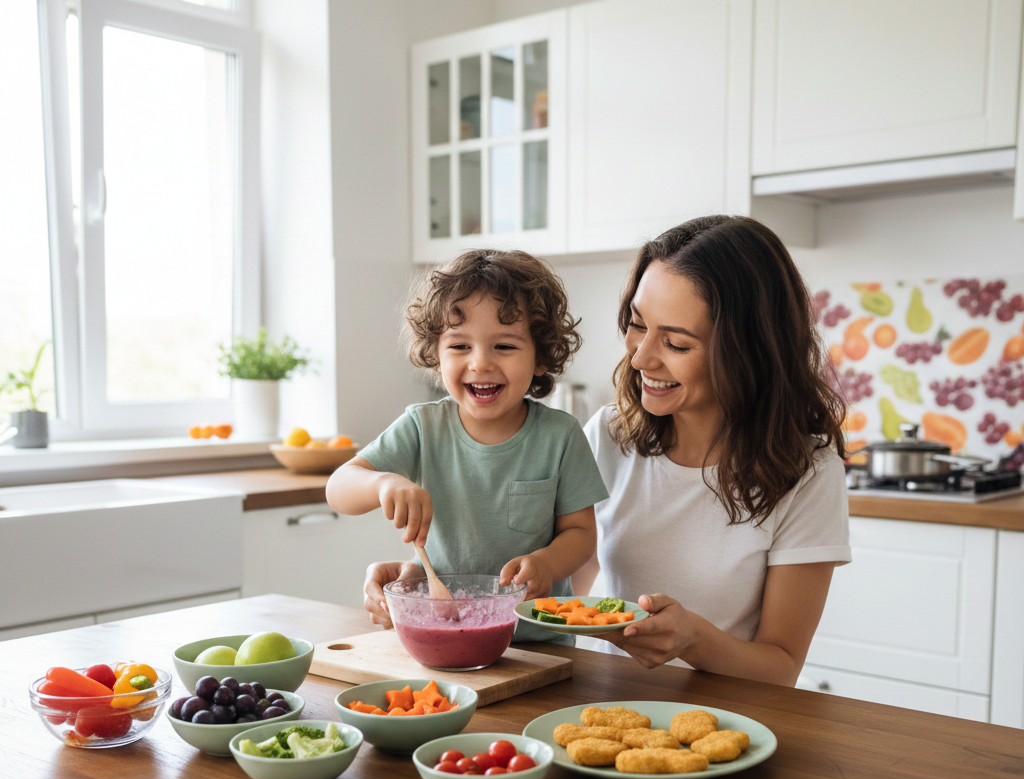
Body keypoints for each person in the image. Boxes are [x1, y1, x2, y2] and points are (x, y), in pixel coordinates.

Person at [572, 215, 851, 685]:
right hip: (605, 707)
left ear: (747, 351)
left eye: (676, 343)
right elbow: (556, 591)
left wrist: (693, 640)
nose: (639, 358)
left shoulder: (808, 473)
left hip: (725, 729)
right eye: (638, 324)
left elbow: (781, 667)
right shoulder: (609, 435)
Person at [327, 249, 609, 643]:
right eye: (460, 347)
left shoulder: (561, 436)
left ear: (541, 357)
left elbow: (581, 534)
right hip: (444, 633)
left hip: (540, 643)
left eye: (505, 347)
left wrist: (546, 563)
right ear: (435, 353)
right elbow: (339, 487)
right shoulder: (423, 426)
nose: (480, 363)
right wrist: (383, 484)